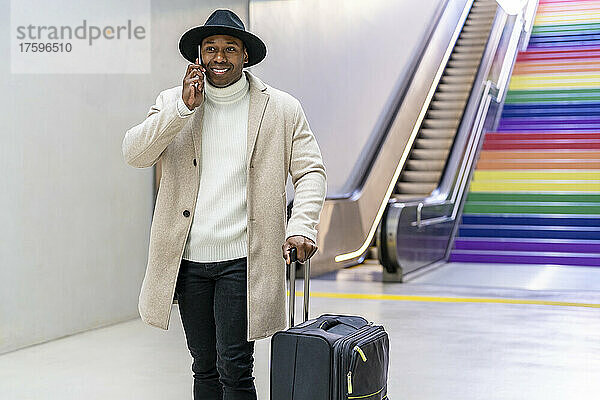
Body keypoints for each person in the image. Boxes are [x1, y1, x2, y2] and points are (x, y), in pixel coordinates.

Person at [121, 8, 327, 400]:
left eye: (230, 48)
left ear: (245, 55)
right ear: (198, 56)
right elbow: (134, 153)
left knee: (234, 365)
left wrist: (302, 224)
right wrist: (181, 109)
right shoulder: (174, 103)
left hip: (243, 260)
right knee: (203, 367)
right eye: (211, 48)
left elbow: (311, 171)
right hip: (189, 260)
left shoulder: (281, 109)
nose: (219, 57)